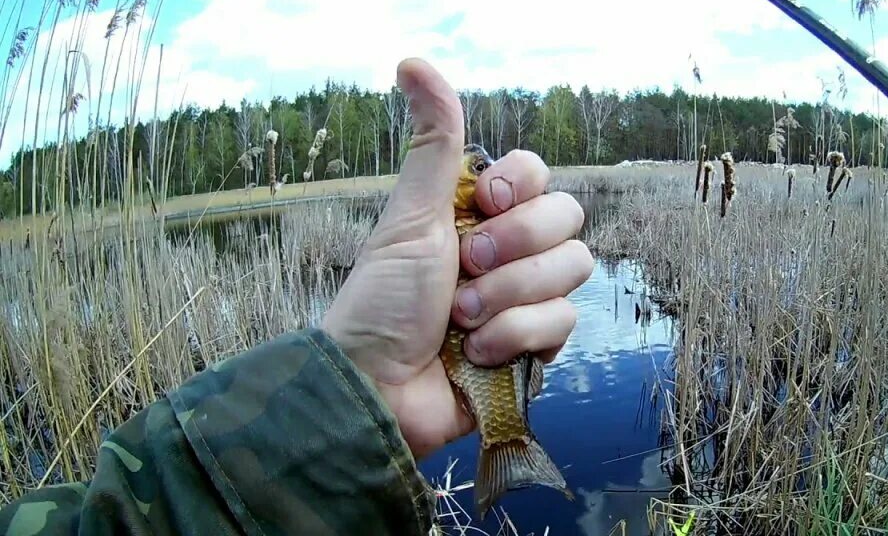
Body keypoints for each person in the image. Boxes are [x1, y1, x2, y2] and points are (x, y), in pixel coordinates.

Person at [0, 58, 595, 535]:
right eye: (475, 162)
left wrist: (360, 394)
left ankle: (506, 430)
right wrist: (362, 391)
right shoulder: (443, 211)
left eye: (480, 165)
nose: (474, 167)